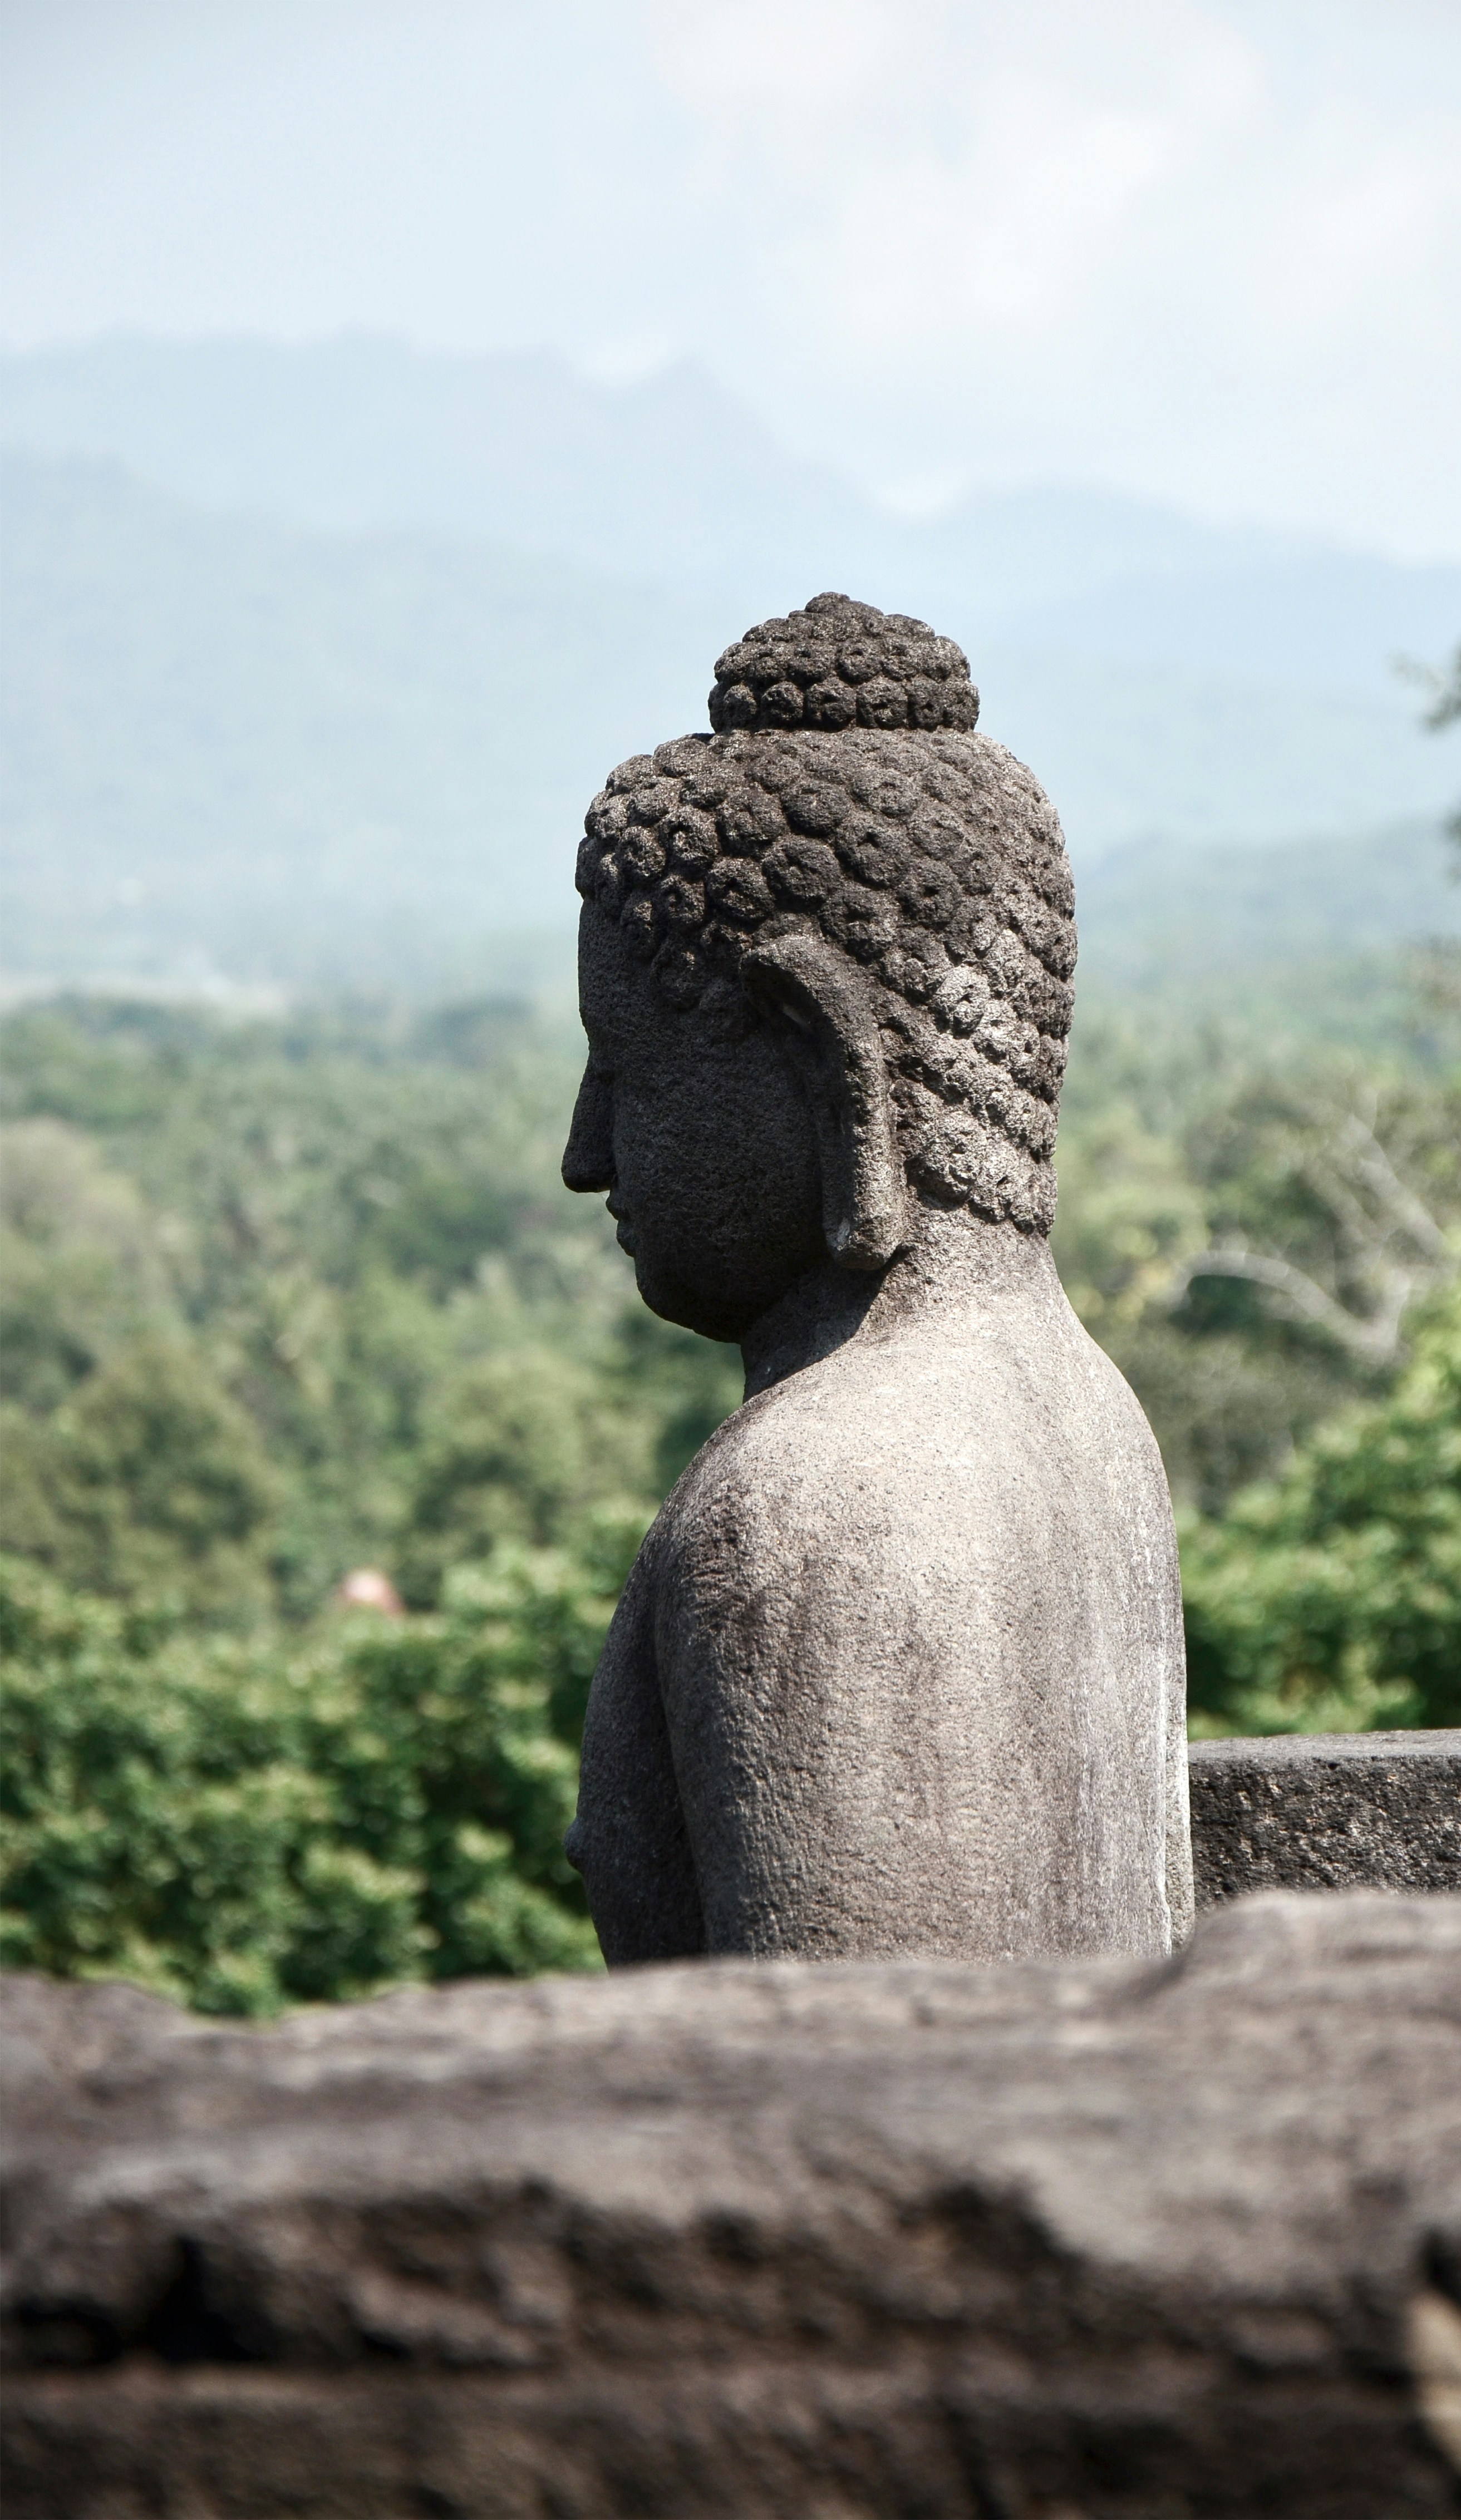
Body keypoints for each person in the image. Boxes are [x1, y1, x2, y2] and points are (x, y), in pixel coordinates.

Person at [561, 594, 1189, 1965]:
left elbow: (866, 2099)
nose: (586, 1152)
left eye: (632, 1070)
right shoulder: (1088, 1412)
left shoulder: (813, 1513)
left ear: (820, 1062)